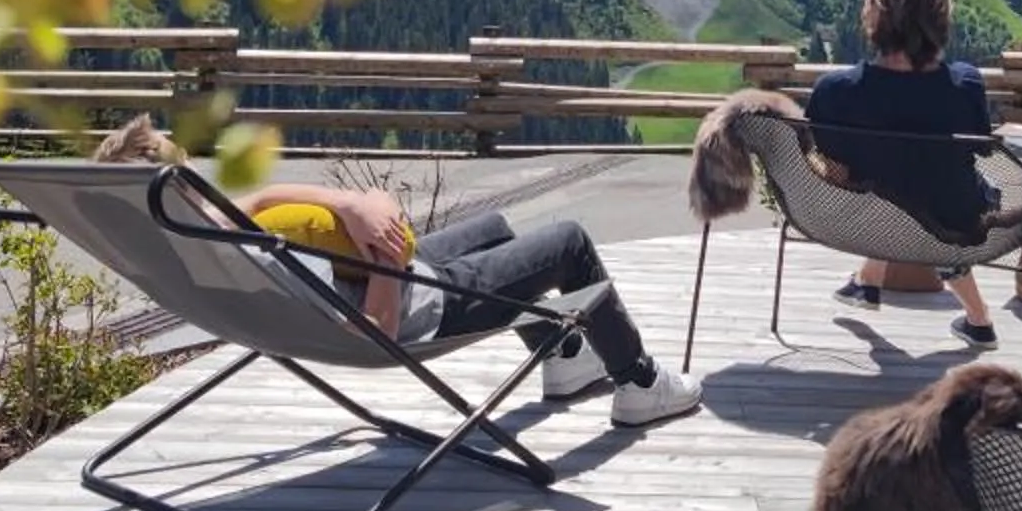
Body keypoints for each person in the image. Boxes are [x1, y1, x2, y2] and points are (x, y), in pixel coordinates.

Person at [92, 117, 705, 428]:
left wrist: (353, 206)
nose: (200, 176)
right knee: (568, 242)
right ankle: (639, 383)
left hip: (398, 277)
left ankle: (565, 357)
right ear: (179, 187)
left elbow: (257, 206)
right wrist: (382, 252)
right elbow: (375, 325)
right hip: (420, 309)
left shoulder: (200, 242)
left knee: (492, 226)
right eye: (187, 169)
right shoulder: (256, 251)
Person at [803, 0, 1016, 349]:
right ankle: (978, 318)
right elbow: (983, 148)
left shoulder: (835, 92)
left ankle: (867, 280)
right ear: (940, 16)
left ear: (872, 13)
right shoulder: (965, 84)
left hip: (863, 224)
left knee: (891, 193)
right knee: (940, 195)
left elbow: (828, 169)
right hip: (952, 222)